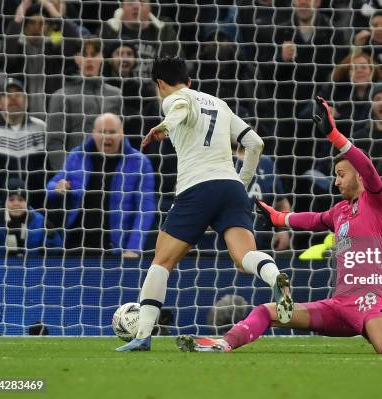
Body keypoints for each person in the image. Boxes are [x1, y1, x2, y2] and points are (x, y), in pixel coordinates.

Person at [175, 97, 382, 355]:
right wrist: (277, 217)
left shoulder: (377, 200)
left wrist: (334, 135)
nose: (335, 181)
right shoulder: (340, 212)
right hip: (339, 305)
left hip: (369, 300)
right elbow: (311, 220)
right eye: (334, 175)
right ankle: (224, 343)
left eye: (341, 175)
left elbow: (365, 163)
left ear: (359, 177)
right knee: (266, 310)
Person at [115, 56, 293, 352]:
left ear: (160, 84)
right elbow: (256, 143)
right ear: (190, 80)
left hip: (196, 188)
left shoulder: (173, 99)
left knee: (162, 261)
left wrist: (164, 125)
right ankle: (274, 276)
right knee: (244, 256)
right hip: (231, 188)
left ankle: (142, 335)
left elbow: (181, 107)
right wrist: (243, 182)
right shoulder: (219, 104)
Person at [46, 113, 156, 258]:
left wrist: (134, 247)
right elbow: (50, 186)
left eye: (112, 132)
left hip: (115, 247)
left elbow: (146, 208)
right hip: (76, 243)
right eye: (102, 132)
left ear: (122, 133)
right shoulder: (77, 155)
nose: (107, 137)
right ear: (93, 133)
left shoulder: (140, 162)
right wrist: (57, 187)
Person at [46, 37, 122, 170]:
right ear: (76, 58)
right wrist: (66, 174)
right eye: (84, 55)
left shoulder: (115, 94)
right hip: (77, 172)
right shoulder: (61, 96)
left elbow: (121, 139)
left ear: (102, 57)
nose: (89, 59)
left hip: (111, 171)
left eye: (94, 54)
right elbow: (55, 143)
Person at [0, 77, 48, 210]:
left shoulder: (41, 128)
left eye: (18, 94)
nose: (13, 98)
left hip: (38, 205)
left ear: (26, 100)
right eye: (7, 94)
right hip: (0, 207)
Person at [0, 178, 62, 257]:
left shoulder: (38, 221)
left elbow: (54, 252)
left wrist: (51, 237)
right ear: (4, 202)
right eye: (11, 200)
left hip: (30, 271)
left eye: (21, 200)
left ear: (27, 202)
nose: (16, 204)